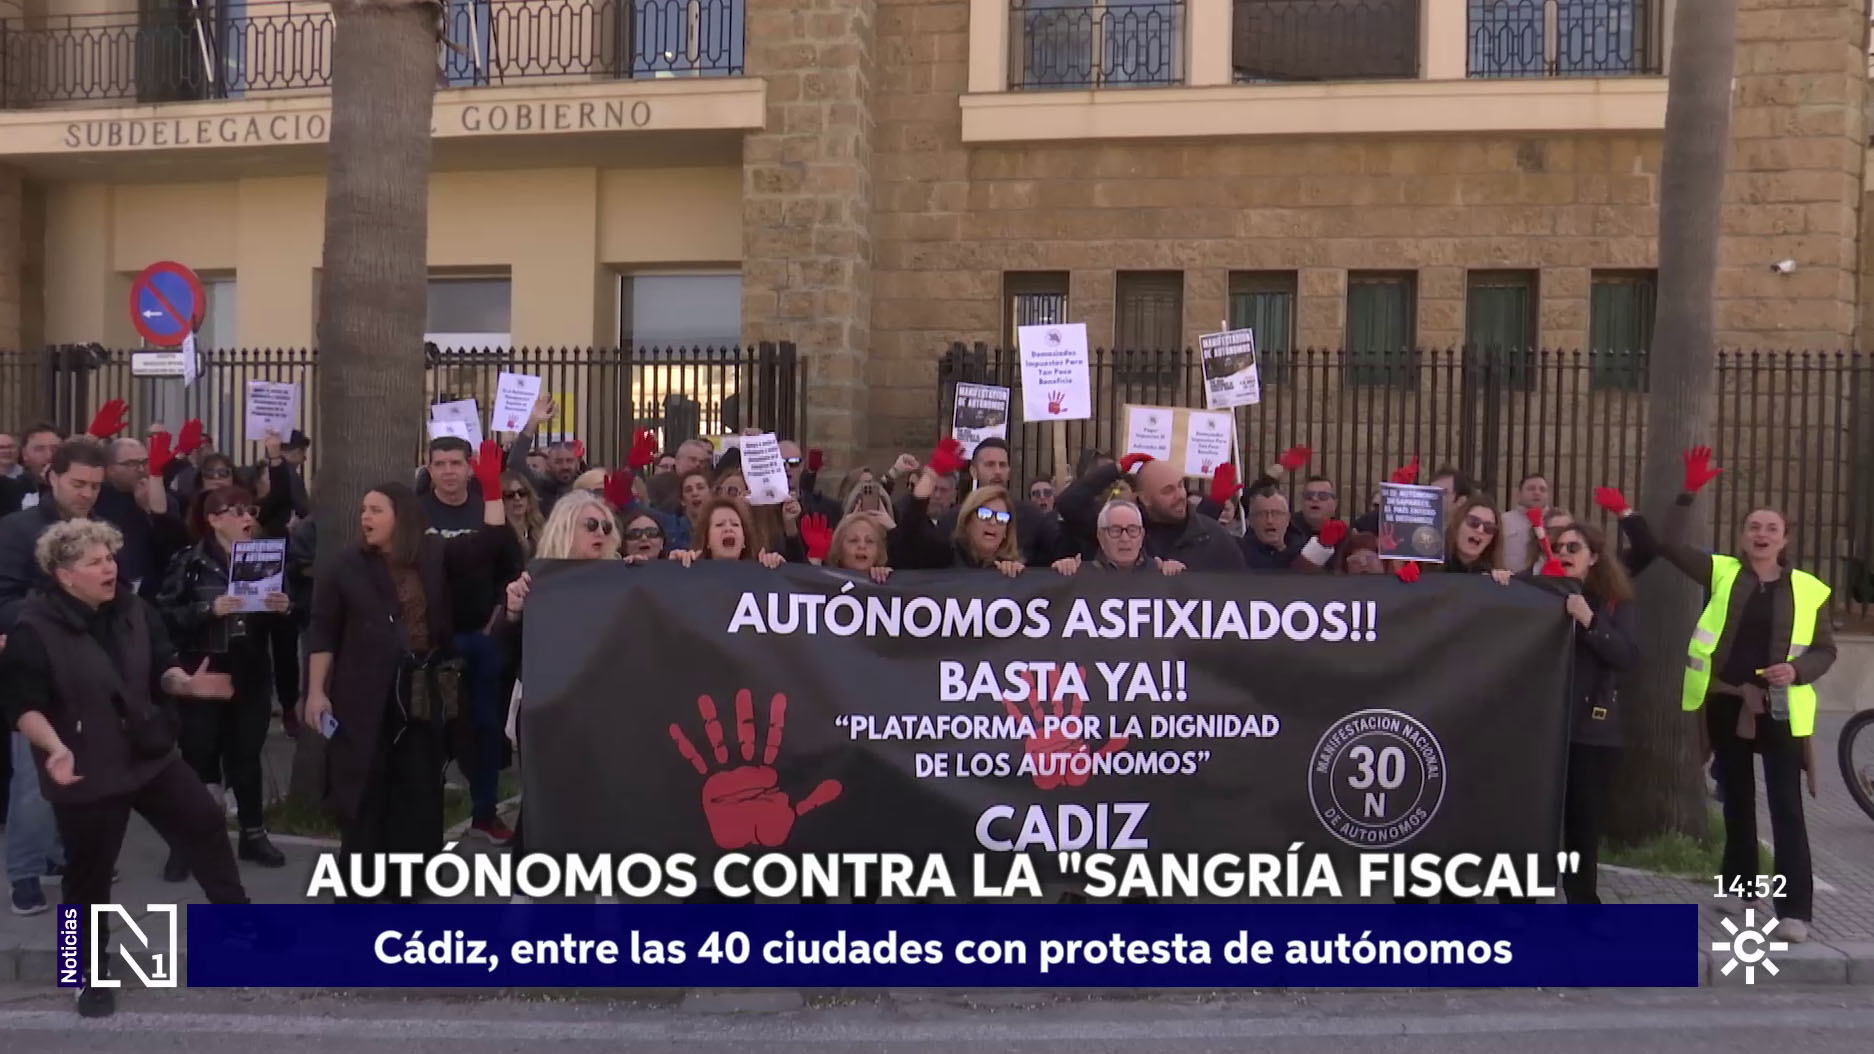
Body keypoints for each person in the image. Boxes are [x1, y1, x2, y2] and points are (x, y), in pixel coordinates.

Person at [1, 518, 249, 1017]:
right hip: (85, 766)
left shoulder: (135, 608)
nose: (109, 568)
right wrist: (54, 748)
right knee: (87, 879)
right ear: (64, 575)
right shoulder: (33, 629)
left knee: (204, 822)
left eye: (110, 558)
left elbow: (162, 666)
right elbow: (24, 706)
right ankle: (83, 974)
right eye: (94, 562)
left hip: (147, 753)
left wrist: (185, 684)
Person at [302, 443, 511, 898]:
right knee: (368, 788)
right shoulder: (345, 567)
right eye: (364, 510)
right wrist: (316, 692)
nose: (366, 517)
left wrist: (492, 490)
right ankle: (361, 887)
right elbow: (323, 631)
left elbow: (488, 545)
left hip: (422, 690)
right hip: (363, 695)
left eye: (376, 510)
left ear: (402, 516)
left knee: (419, 786)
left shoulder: (432, 554)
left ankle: (411, 882)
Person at [1660, 446, 1834, 942]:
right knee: (1736, 799)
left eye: (1771, 528)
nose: (1761, 534)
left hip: (1780, 709)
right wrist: (1688, 492)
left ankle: (1795, 911)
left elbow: (1825, 650)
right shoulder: (1721, 571)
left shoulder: (1810, 589)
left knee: (1785, 806)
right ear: (1742, 536)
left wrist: (1796, 670)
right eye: (1754, 527)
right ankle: (1740, 889)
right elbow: (1668, 544)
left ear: (1784, 539)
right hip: (1727, 702)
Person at [1489, 523, 1637, 904]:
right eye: (1558, 547)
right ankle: (1517, 906)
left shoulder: (1614, 602)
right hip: (1538, 729)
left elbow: (1626, 656)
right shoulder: (1538, 592)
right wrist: (1502, 581)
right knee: (1527, 822)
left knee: (1581, 828)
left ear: (1594, 557)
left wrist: (1590, 621)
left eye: (1575, 547)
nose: (1565, 553)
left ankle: (1582, 908)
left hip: (1589, 731)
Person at [155, 486, 292, 879]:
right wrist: (208, 609)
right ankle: (187, 843)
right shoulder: (190, 561)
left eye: (250, 511)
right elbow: (165, 615)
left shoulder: (266, 559)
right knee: (199, 756)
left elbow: (291, 623)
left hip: (250, 670)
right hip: (204, 669)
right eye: (236, 511)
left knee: (246, 755)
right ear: (213, 519)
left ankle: (253, 833)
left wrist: (285, 608)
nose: (247, 518)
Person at [493, 491, 628, 865]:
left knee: (602, 801)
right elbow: (504, 656)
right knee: (542, 802)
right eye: (591, 525)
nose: (600, 533)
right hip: (547, 710)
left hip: (603, 710)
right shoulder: (535, 582)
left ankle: (601, 889)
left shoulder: (624, 580)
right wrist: (514, 613)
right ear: (566, 528)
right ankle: (525, 888)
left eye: (606, 527)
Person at [418, 436, 522, 847]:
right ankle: (426, 818)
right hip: (432, 641)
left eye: (455, 463)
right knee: (430, 728)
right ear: (428, 469)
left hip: (482, 637)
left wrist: (497, 619)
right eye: (440, 463)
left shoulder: (488, 509)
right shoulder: (416, 513)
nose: (448, 471)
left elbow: (511, 567)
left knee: (486, 726)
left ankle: (485, 813)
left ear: (469, 468)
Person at [1064, 457, 1244, 572]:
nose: (1180, 496)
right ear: (1144, 498)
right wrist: (1116, 469)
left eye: (1180, 485)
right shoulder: (1122, 530)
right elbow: (1068, 504)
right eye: (1168, 491)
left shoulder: (1213, 535)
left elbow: (1244, 589)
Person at [930, 439, 1062, 566]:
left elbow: (1060, 549)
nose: (998, 471)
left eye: (1003, 465)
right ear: (973, 471)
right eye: (990, 464)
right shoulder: (953, 518)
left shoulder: (1031, 515)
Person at [1052, 500, 1186, 576]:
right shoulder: (1080, 574)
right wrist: (1061, 573)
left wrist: (1179, 576)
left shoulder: (1160, 573)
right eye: (1115, 530)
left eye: (1132, 530)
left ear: (1142, 536)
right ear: (1100, 536)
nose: (1125, 538)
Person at [671, 497, 786, 567]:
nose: (728, 528)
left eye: (735, 524)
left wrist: (777, 571)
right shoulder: (691, 573)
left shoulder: (760, 574)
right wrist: (675, 568)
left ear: (744, 542)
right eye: (719, 524)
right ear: (707, 541)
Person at [0, 424, 62, 516]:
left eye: (55, 449)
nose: (49, 456)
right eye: (39, 449)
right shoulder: (8, 490)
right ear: (24, 454)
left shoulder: (74, 489)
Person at [1442, 496, 1504, 574]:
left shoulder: (1492, 575)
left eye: (1489, 527)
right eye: (1473, 521)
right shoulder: (1430, 568)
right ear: (1457, 524)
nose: (1480, 530)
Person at [501, 471, 544, 559]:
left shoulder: (539, 527)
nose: (517, 498)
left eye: (522, 493)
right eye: (510, 495)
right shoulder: (498, 533)